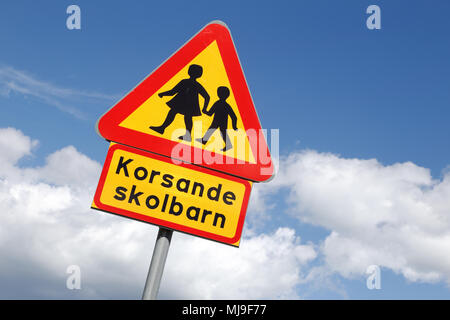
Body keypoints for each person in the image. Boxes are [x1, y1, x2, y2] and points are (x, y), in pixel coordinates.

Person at [150, 64, 210, 141]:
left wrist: (204, 108)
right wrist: (163, 94)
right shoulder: (189, 83)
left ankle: (186, 135)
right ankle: (162, 128)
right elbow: (173, 92)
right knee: (177, 114)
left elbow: (207, 96)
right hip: (181, 102)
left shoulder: (191, 83)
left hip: (187, 104)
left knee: (184, 116)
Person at [197, 86, 238, 151]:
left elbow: (233, 116)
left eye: (220, 93)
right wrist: (205, 112)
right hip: (218, 121)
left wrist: (234, 126)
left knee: (221, 132)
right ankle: (204, 140)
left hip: (220, 122)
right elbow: (210, 113)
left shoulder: (221, 104)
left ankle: (228, 145)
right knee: (214, 130)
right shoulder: (222, 104)